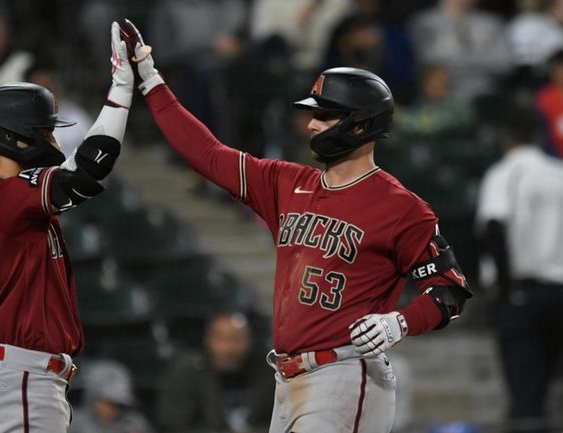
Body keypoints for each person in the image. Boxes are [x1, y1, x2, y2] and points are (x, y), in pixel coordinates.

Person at [119, 20, 472, 433]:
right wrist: (150, 79)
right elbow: (207, 155)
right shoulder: (287, 183)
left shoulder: (400, 207)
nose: (312, 126)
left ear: (360, 125)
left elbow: (449, 290)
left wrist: (401, 321)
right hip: (289, 379)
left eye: (325, 115)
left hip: (346, 373)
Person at [0, 22, 134, 433]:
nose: (52, 141)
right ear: (15, 137)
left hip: (6, 376)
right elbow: (89, 168)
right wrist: (122, 88)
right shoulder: (6, 194)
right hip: (21, 380)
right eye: (44, 131)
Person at [475, 102, 563, 433]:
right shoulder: (559, 172)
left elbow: (494, 227)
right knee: (545, 392)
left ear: (506, 137)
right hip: (559, 292)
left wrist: (503, 283)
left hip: (521, 294)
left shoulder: (504, 173)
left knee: (526, 399)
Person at [156, 312, 274, 433]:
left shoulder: (267, 372)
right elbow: (173, 425)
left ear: (249, 341)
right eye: (221, 338)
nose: (228, 348)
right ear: (207, 340)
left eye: (237, 339)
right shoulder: (186, 372)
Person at [70, 360, 155, 433]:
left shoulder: (133, 424)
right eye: (108, 402)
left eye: (118, 404)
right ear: (93, 398)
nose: (113, 409)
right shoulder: (73, 422)